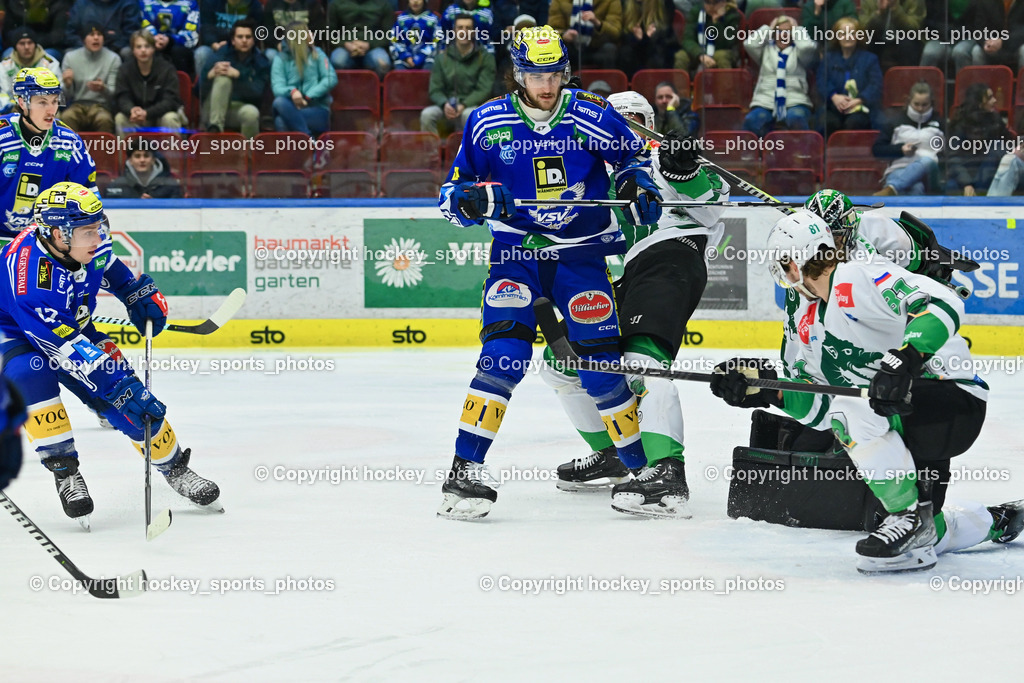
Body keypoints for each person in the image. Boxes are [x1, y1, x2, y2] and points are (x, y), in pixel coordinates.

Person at [710, 209, 1023, 572]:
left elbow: (943, 302)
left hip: (950, 401)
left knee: (851, 413)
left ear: (791, 264)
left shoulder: (857, 276)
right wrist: (766, 391)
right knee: (903, 525)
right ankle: (995, 521)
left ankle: (907, 516)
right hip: (903, 417)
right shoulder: (811, 319)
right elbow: (823, 410)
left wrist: (906, 358)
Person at [436, 26, 663, 520]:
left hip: (581, 256)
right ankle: (464, 471)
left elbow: (632, 160)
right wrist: (467, 202)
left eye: (555, 72)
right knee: (503, 357)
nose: (547, 83)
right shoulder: (486, 122)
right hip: (516, 256)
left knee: (599, 367)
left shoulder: (589, 113)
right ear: (518, 73)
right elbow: (450, 197)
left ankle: (639, 471)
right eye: (537, 73)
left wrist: (638, 187)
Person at [541, 90, 729, 518]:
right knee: (564, 366)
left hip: (669, 255)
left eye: (635, 118)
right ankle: (616, 452)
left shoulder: (662, 157)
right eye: (617, 118)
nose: (626, 124)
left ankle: (665, 472)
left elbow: (714, 206)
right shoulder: (589, 167)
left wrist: (683, 169)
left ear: (650, 121)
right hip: (618, 276)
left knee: (641, 365)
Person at [0, 182, 221, 528]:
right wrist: (110, 380)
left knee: (133, 401)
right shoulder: (31, 277)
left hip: (74, 325)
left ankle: (175, 467)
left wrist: (135, 292)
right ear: (57, 234)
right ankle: (65, 471)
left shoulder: (84, 241)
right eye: (88, 231)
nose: (98, 237)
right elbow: (60, 342)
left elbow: (112, 268)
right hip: (17, 334)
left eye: (99, 226)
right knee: (33, 376)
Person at [0, 68, 99, 238]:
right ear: (22, 102)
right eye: (42, 102)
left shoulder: (69, 142)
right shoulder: (3, 137)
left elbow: (88, 193)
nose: (51, 110)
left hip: (45, 240)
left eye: (54, 101)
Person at [419, 13, 496, 138]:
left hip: (473, 107)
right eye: (460, 27)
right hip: (447, 107)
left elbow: (484, 90)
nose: (463, 32)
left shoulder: (486, 58)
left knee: (469, 115)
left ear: (473, 32)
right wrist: (444, 104)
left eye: (468, 28)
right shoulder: (441, 58)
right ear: (454, 31)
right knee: (427, 115)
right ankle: (432, 155)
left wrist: (464, 104)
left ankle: (470, 156)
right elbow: (435, 89)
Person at [742, 15, 816, 138]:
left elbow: (808, 46)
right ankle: (751, 153)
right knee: (755, 119)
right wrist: (769, 28)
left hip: (795, 99)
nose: (783, 35)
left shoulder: (800, 52)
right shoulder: (765, 50)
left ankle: (802, 154)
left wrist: (797, 29)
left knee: (796, 117)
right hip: (765, 100)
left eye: (788, 32)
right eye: (779, 32)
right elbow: (749, 44)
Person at [198, 18, 269, 137]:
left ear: (253, 40)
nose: (244, 40)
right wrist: (209, 76)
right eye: (240, 37)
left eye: (248, 37)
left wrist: (238, 75)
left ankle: (248, 154)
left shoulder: (260, 61)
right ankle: (214, 132)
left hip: (238, 109)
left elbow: (258, 93)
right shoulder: (221, 54)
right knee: (223, 78)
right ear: (233, 40)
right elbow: (198, 91)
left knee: (251, 113)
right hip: (212, 110)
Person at [872, 82, 942, 196]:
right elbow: (877, 150)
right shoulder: (895, 121)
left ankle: (892, 188)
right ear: (909, 101)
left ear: (931, 103)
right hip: (899, 170)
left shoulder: (940, 123)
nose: (920, 108)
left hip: (930, 174)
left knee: (928, 161)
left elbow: (948, 152)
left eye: (925, 104)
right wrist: (900, 150)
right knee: (916, 189)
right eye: (916, 104)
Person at [113, 30, 189, 135]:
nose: (143, 50)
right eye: (139, 47)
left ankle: (173, 152)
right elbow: (122, 97)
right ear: (133, 50)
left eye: (147, 46)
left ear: (153, 49)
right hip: (135, 117)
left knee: (170, 118)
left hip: (160, 115)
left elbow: (170, 100)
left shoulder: (167, 69)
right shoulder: (125, 69)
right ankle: (127, 152)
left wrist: (147, 113)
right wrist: (131, 110)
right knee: (120, 118)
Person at [270, 21, 337, 137]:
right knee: (279, 102)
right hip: (290, 107)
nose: (311, 34)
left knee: (281, 121)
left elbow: (331, 78)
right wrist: (293, 91)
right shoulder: (280, 59)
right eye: (307, 31)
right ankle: (309, 141)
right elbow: (277, 87)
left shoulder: (317, 54)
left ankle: (301, 148)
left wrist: (308, 96)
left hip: (317, 109)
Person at [945, 82, 1013, 196]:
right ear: (979, 103)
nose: (995, 101)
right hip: (966, 172)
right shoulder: (960, 124)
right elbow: (953, 158)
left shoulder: (995, 120)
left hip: (989, 172)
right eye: (990, 98)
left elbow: (1008, 143)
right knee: (951, 186)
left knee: (999, 146)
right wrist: (966, 183)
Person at [816, 17, 882, 134]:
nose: (848, 36)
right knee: (827, 123)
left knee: (854, 123)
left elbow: (875, 85)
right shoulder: (828, 58)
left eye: (852, 33)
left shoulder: (870, 59)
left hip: (861, 107)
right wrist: (834, 96)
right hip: (833, 106)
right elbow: (822, 80)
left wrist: (859, 100)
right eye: (843, 33)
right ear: (837, 36)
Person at [59, 25, 122, 135]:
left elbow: (114, 94)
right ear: (84, 39)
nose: (96, 38)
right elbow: (63, 98)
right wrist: (68, 85)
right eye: (91, 35)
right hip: (76, 104)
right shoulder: (70, 57)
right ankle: (70, 151)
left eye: (99, 35)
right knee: (67, 117)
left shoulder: (113, 59)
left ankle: (103, 152)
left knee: (104, 120)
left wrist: (103, 89)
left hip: (101, 106)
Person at [0, 27, 62, 114]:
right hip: (14, 107)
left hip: (44, 106)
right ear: (15, 47)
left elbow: (58, 91)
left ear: (35, 44)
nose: (26, 47)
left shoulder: (50, 64)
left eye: (30, 43)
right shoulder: (5, 65)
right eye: (22, 43)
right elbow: (5, 93)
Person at [195, 0, 264, 77]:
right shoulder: (209, 2)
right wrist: (215, 44)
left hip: (244, 47)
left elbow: (256, 31)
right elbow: (206, 28)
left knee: (261, 57)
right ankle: (203, 87)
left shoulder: (253, 5)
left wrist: (237, 45)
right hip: (217, 47)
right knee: (201, 53)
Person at [327, 0, 393, 77]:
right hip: (345, 47)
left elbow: (389, 35)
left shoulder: (383, 4)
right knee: (338, 61)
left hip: (374, 46)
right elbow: (330, 35)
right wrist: (345, 44)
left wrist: (369, 45)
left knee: (383, 64)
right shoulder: (336, 4)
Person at [548, 0, 621, 69]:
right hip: (571, 46)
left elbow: (615, 33)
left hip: (597, 45)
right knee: (558, 49)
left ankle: (606, 82)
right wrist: (564, 35)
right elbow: (552, 30)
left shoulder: (610, 1)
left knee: (609, 49)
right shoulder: (559, 1)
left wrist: (597, 23)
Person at [675, 0, 741, 73]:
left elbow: (727, 43)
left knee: (721, 56)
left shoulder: (731, 14)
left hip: (724, 51)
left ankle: (726, 84)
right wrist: (700, 55)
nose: (711, 6)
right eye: (707, 2)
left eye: (715, 2)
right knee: (681, 56)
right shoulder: (696, 12)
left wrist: (716, 22)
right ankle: (680, 84)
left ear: (724, 2)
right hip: (700, 50)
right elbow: (687, 40)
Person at [104, 137, 183, 198]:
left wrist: (155, 205)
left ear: (153, 160)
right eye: (137, 156)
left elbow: (178, 213)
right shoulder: (116, 185)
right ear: (130, 161)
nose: (142, 160)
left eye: (146, 156)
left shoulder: (171, 185)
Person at [858, 0, 924, 71]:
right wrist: (879, 13)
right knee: (865, 44)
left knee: (908, 45)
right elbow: (863, 27)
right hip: (876, 37)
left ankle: (908, 79)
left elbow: (915, 27)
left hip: (904, 37)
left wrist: (895, 10)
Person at [139, 0, 200, 76]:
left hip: (179, 46)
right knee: (141, 49)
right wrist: (153, 38)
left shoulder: (190, 3)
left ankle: (181, 85)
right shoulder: (143, 2)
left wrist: (170, 40)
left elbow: (192, 34)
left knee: (178, 52)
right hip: (150, 42)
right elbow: (141, 26)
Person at [64, 0, 143, 59]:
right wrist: (86, 47)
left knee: (128, 51)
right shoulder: (81, 4)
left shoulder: (128, 3)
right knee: (69, 53)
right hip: (84, 49)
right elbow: (70, 33)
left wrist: (107, 50)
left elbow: (131, 33)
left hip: (116, 50)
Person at [0, 2, 74, 62]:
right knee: (7, 55)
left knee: (47, 58)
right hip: (19, 44)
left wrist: (33, 42)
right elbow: (8, 31)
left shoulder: (58, 5)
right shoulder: (14, 3)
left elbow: (58, 35)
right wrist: (20, 41)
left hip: (48, 46)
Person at [619, 0, 678, 76]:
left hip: (659, 47)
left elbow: (665, 36)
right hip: (635, 50)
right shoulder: (625, 4)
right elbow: (625, 37)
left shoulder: (665, 3)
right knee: (626, 53)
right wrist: (640, 39)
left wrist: (646, 39)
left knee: (657, 55)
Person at [390, 0, 441, 71]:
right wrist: (405, 56)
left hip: (427, 58)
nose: (415, 1)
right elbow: (394, 40)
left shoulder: (433, 19)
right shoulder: (401, 19)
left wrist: (422, 55)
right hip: (404, 60)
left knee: (431, 68)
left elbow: (437, 39)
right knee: (399, 73)